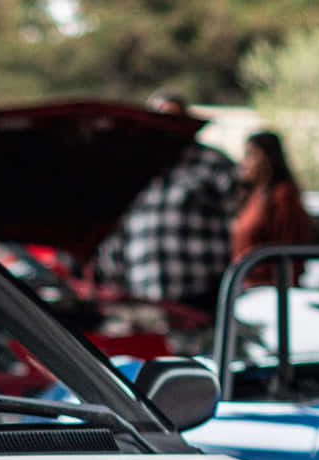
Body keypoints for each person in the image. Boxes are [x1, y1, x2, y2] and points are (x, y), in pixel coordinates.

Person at [97, 90, 238, 320]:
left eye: (174, 119)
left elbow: (240, 218)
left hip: (200, 291)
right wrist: (110, 273)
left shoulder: (213, 163)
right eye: (159, 119)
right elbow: (118, 224)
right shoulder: (132, 166)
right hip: (142, 293)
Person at [231, 131, 315, 272]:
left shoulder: (282, 196)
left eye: (251, 155)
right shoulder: (253, 195)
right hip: (245, 283)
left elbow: (289, 250)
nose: (244, 162)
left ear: (268, 158)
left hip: (268, 288)